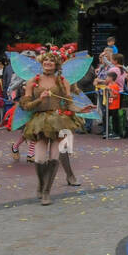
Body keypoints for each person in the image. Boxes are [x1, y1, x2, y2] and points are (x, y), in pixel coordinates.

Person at [18, 48, 88, 203]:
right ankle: (41, 184)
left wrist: (81, 109)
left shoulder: (63, 82)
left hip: (59, 121)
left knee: (55, 157)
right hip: (40, 122)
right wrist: (39, 100)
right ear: (42, 63)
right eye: (45, 61)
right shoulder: (33, 81)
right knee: (39, 160)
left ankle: (46, 192)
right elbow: (25, 105)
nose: (48, 63)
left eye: (51, 61)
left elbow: (69, 104)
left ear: (56, 65)